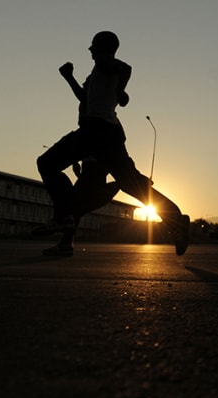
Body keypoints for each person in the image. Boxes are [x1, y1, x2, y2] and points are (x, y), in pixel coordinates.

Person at [34, 31, 191, 256]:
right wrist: (69, 77)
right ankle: (175, 219)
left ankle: (62, 219)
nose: (89, 50)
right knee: (129, 184)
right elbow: (85, 98)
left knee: (47, 164)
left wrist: (120, 89)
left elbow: (126, 69)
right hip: (104, 133)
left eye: (93, 46)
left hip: (96, 131)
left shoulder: (105, 64)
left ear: (102, 48)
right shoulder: (97, 73)